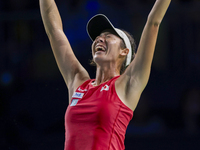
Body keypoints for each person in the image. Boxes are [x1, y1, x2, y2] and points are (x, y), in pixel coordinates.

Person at [39, 0, 171, 149]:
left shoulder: (127, 84)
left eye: (108, 36)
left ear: (124, 51)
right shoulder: (79, 83)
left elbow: (153, 22)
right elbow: (54, 31)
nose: (99, 38)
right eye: (98, 36)